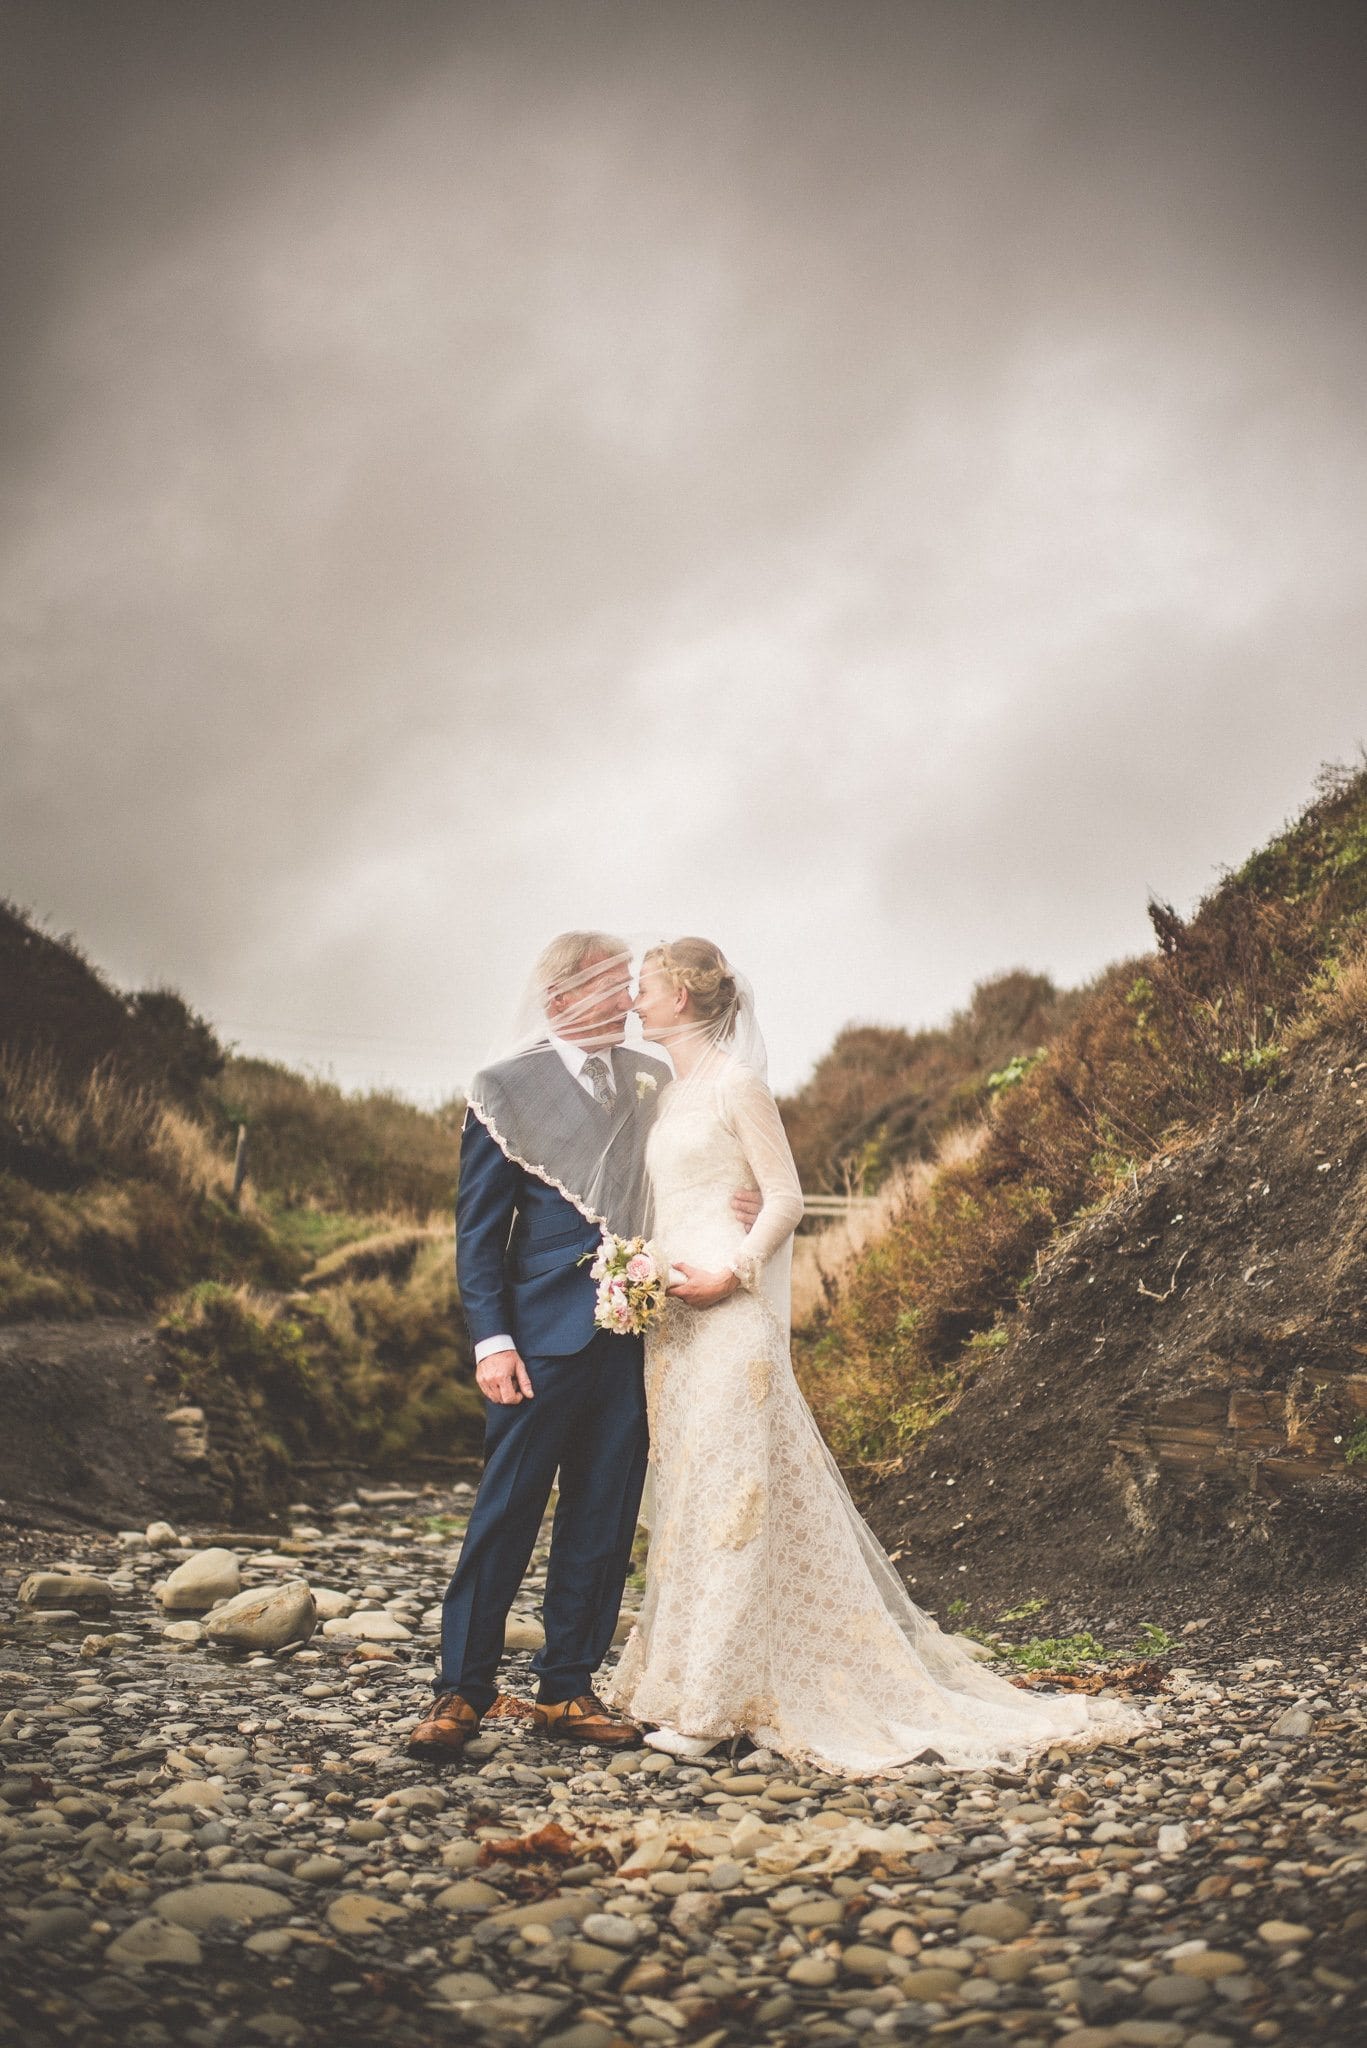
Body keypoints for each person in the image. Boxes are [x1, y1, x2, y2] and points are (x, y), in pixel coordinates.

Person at [599, 937, 1150, 1774]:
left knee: (732, 1498)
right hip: (673, 1324)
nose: (635, 1000)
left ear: (680, 994)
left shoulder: (738, 1086)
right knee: (691, 1498)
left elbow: (782, 1197)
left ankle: (711, 1708)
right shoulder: (672, 1098)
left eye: (644, 987)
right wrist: (636, 1278)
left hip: (726, 1309)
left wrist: (735, 1268)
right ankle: (692, 1681)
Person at [408, 930, 758, 1762]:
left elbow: (688, 1167)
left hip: (635, 1334)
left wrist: (732, 1203)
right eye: (609, 988)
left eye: (628, 987)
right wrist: (491, 1341)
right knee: (505, 1516)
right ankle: (460, 1692)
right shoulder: (504, 1086)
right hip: (536, 1340)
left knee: (601, 1520)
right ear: (562, 997)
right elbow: (479, 1233)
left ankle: (568, 1689)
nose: (627, 1002)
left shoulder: (650, 1079)